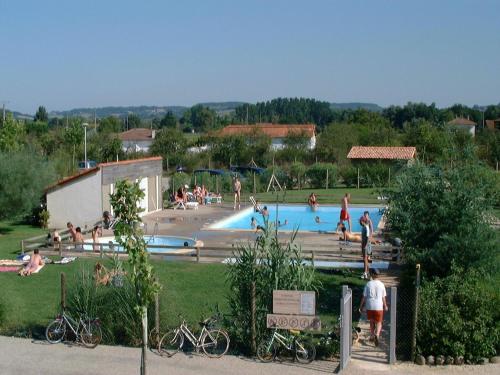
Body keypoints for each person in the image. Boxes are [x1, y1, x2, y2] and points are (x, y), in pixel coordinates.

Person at [358, 268, 388, 347]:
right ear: (378, 275)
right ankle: (377, 335)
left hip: (370, 306)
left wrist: (361, 306)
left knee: (371, 321)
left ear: (372, 275)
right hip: (378, 307)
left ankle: (371, 335)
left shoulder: (368, 284)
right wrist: (385, 306)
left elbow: (364, 297)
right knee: (379, 322)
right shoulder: (381, 284)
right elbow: (383, 297)